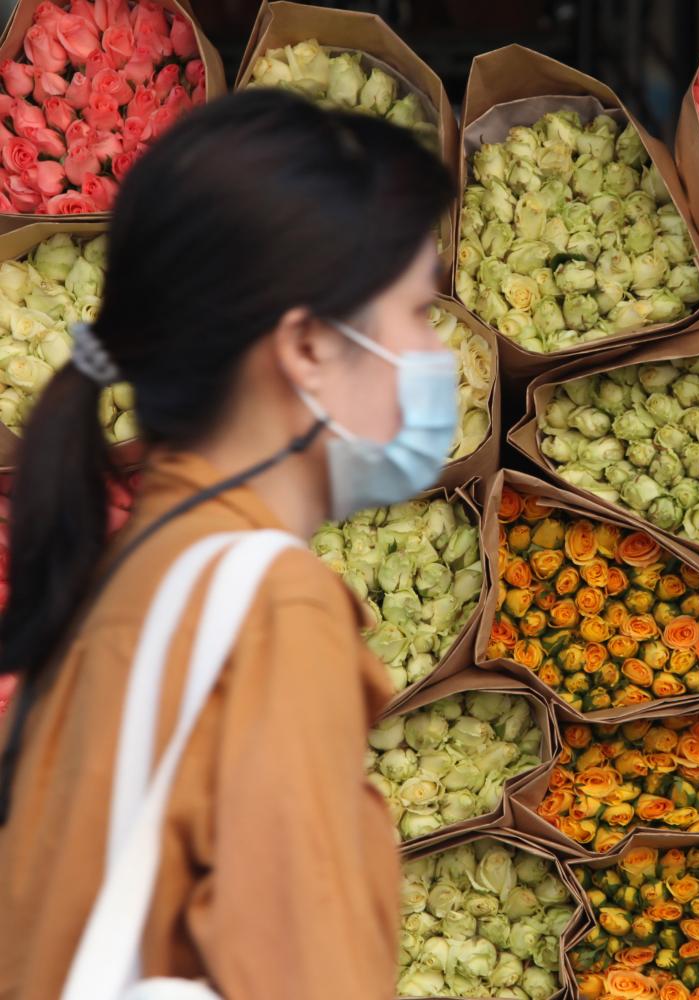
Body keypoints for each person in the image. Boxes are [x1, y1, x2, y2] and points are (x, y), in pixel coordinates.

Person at [0, 89, 455, 999]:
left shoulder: (143, 565)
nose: (434, 352)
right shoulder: (269, 607)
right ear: (308, 349)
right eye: (416, 313)